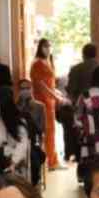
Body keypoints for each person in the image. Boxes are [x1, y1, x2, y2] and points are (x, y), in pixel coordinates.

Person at [29, 38, 62, 171]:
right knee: (48, 131)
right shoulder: (37, 63)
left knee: (52, 131)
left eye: (49, 46)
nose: (47, 49)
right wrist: (55, 96)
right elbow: (41, 84)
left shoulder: (47, 61)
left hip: (50, 101)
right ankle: (51, 162)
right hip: (42, 101)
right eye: (44, 46)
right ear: (40, 48)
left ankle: (53, 160)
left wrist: (57, 93)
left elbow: (50, 82)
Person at [0, 88, 31, 181]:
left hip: (13, 159)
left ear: (3, 104)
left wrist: (13, 162)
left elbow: (22, 144)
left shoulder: (18, 122)